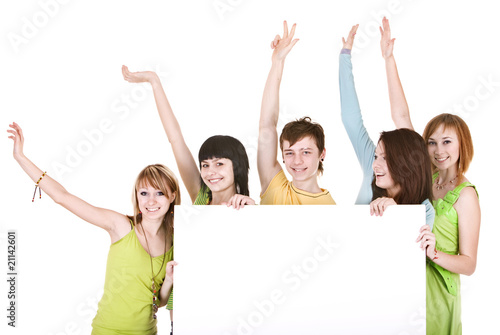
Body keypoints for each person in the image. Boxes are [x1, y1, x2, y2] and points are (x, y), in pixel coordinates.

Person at [7, 122, 178, 335]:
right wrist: (20, 157)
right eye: (144, 193)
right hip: (107, 330)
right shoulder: (121, 226)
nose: (151, 200)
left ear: (172, 196)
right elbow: (62, 197)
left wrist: (169, 279)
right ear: (137, 196)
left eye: (159, 193)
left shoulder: (174, 241)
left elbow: (158, 302)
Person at [122, 65, 255, 332]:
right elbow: (175, 138)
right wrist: (154, 82)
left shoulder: (247, 209)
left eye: (219, 164)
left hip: (228, 311)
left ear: (236, 166)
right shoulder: (200, 197)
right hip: (184, 312)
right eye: (205, 165)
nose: (210, 172)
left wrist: (254, 211)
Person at [378, 18, 481, 334]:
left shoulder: (466, 195)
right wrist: (388, 59)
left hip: (439, 290)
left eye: (447, 142)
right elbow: (402, 118)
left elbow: (469, 264)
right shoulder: (425, 174)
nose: (438, 151)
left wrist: (434, 253)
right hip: (405, 280)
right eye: (432, 142)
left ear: (462, 144)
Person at [339, 24, 434, 226]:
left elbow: (410, 252)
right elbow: (351, 119)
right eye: (376, 156)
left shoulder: (424, 208)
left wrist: (397, 213)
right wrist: (345, 57)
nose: (375, 164)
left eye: (385, 158)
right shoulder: (371, 172)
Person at [258, 21, 335, 205]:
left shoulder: (330, 207)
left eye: (306, 152)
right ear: (282, 157)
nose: (297, 161)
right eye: (290, 153)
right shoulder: (274, 188)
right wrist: (277, 62)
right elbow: (266, 125)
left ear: (322, 154)